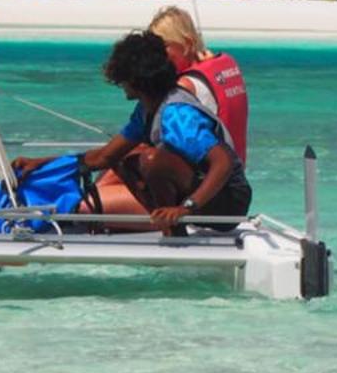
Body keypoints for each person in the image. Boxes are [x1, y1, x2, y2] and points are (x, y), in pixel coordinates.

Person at [50, 29, 251, 232]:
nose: (121, 85)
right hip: (197, 191)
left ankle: (173, 228)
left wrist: (186, 207)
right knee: (122, 158)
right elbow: (104, 157)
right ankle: (163, 220)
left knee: (151, 160)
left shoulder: (176, 115)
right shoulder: (146, 108)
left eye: (123, 80)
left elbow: (223, 163)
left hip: (228, 201)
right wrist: (41, 165)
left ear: (137, 80)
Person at [149, 4, 250, 166]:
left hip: (212, 176)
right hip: (237, 171)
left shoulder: (185, 86)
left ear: (187, 44)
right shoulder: (225, 65)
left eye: (163, 46)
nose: (156, 54)